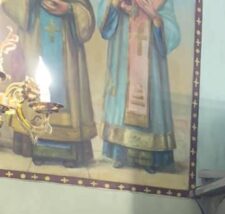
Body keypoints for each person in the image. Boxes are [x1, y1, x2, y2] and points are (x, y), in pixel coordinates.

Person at [2, 0, 97, 167]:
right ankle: (35, 146)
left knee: (66, 95)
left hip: (67, 44)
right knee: (33, 89)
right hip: (34, 38)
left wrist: (69, 9)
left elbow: (86, 19)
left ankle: (69, 151)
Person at [97, 0, 180, 172]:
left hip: (151, 56)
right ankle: (120, 153)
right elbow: (105, 16)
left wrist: (155, 18)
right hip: (123, 46)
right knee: (122, 97)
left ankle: (150, 158)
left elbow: (172, 29)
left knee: (150, 102)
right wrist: (116, 4)